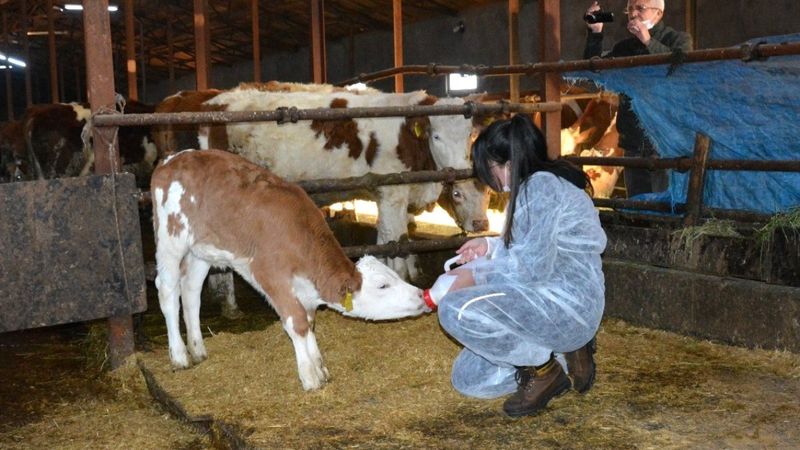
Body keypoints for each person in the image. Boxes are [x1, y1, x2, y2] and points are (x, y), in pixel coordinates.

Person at [436, 114, 607, 418]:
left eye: (488, 168)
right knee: (467, 379)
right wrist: (488, 246)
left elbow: (529, 270)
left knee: (453, 309)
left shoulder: (540, 188)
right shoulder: (533, 189)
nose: (489, 179)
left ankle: (544, 371)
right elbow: (530, 246)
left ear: (505, 163)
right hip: (544, 304)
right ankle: (565, 354)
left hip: (566, 302)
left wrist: (473, 275)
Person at [583, 0, 693, 197]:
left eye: (640, 8)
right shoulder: (624, 48)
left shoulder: (678, 40)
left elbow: (681, 68)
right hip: (633, 143)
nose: (633, 14)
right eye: (630, 9)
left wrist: (648, 41)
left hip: (665, 142)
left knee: (666, 204)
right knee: (638, 205)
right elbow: (595, 72)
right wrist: (595, 33)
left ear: (658, 13)